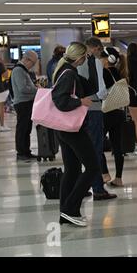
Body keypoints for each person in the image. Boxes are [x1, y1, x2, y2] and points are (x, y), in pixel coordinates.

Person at [51, 42, 97, 227]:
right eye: (86, 56)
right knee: (93, 167)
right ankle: (70, 209)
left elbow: (92, 86)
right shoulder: (69, 74)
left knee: (72, 169)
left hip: (64, 129)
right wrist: (80, 102)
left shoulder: (67, 70)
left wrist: (93, 62)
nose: (86, 59)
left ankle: (65, 213)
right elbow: (61, 101)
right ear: (79, 57)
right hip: (72, 129)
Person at [82, 37, 117, 200]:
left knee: (81, 149)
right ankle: (98, 188)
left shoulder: (72, 64)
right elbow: (101, 89)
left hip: (78, 109)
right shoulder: (94, 62)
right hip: (94, 107)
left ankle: (82, 186)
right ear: (95, 48)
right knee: (95, 148)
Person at [99, 47, 127, 187]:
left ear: (106, 59)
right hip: (119, 113)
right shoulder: (119, 72)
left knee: (97, 143)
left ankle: (104, 173)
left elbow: (101, 93)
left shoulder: (104, 72)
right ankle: (119, 178)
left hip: (106, 113)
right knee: (117, 147)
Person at [11, 51, 39, 161]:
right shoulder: (18, 70)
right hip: (22, 104)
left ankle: (26, 151)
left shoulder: (23, 70)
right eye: (33, 63)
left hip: (27, 103)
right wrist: (37, 90)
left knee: (26, 129)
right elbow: (22, 88)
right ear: (27, 59)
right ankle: (21, 152)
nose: (32, 66)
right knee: (22, 129)